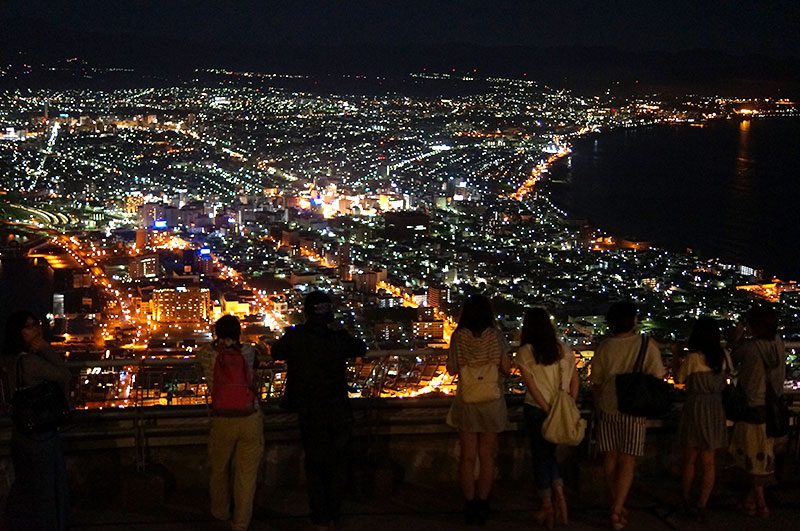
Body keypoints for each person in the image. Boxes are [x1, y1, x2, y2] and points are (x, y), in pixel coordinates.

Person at [270, 291, 367, 531]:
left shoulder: (297, 337)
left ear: (306, 311)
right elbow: (360, 347)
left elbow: (276, 352)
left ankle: (319, 516)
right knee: (336, 463)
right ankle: (333, 514)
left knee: (314, 463)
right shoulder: (337, 338)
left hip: (309, 408)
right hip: (336, 408)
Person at [590, 301, 664, 530]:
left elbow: (596, 382)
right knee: (628, 460)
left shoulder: (605, 347)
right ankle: (616, 509)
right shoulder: (646, 344)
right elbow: (657, 376)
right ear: (633, 320)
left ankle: (617, 506)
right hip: (634, 409)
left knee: (610, 458)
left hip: (609, 406)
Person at [2, 311, 72, 531]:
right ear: (19, 332)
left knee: (25, 490)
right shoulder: (31, 363)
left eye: (37, 324)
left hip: (19, 434)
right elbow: (64, 375)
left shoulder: (6, 361)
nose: (37, 329)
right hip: (41, 437)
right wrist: (46, 349)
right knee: (48, 495)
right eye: (29, 326)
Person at [445, 294, 512, 525]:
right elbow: (506, 368)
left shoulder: (458, 337)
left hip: (467, 400)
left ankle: (469, 504)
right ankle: (483, 504)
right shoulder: (496, 336)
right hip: (492, 401)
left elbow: (452, 369)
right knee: (487, 456)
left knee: (467, 456)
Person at [198, 314, 264, 531]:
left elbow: (205, 353)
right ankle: (241, 523)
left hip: (222, 418)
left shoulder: (208, 354)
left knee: (218, 468)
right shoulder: (248, 352)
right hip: (249, 418)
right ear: (238, 333)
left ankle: (220, 513)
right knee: (246, 474)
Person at [516, 308, 579, 528]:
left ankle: (547, 505)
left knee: (540, 456)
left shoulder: (525, 352)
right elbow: (574, 380)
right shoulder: (564, 349)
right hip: (560, 409)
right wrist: (568, 404)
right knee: (550, 454)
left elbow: (531, 387)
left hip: (536, 410)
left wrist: (546, 409)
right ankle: (560, 495)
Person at [728, 305, 786, 518]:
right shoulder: (778, 342)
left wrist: (737, 337)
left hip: (752, 409)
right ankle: (750, 502)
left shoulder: (750, 348)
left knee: (753, 459)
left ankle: (761, 504)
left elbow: (731, 359)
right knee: (762, 457)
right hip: (772, 409)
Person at [675, 316, 728, 522]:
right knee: (709, 462)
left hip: (695, 407)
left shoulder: (693, 358)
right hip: (715, 407)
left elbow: (679, 378)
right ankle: (702, 504)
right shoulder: (723, 357)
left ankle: (686, 500)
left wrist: (677, 355)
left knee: (690, 459)